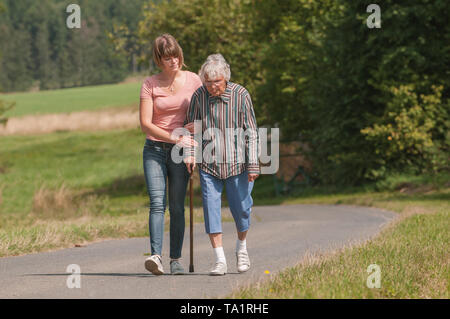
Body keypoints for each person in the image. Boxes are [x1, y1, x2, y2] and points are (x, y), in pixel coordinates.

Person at [184, 53, 259, 276]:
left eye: (216, 82)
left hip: (238, 163)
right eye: (208, 82)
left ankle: (241, 248)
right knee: (211, 210)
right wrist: (189, 154)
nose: (212, 86)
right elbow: (190, 129)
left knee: (242, 210)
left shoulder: (241, 94)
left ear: (226, 78)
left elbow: (251, 131)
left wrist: (253, 162)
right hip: (209, 164)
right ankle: (219, 260)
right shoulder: (199, 96)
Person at [140, 34, 202, 275]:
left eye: (176, 55)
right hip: (154, 149)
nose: (174, 60)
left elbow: (201, 114)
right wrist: (175, 137)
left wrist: (192, 145)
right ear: (159, 59)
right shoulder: (150, 84)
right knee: (157, 204)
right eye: (168, 57)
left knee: (177, 207)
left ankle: (175, 259)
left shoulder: (194, 80)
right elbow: (145, 123)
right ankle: (156, 256)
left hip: (182, 152)